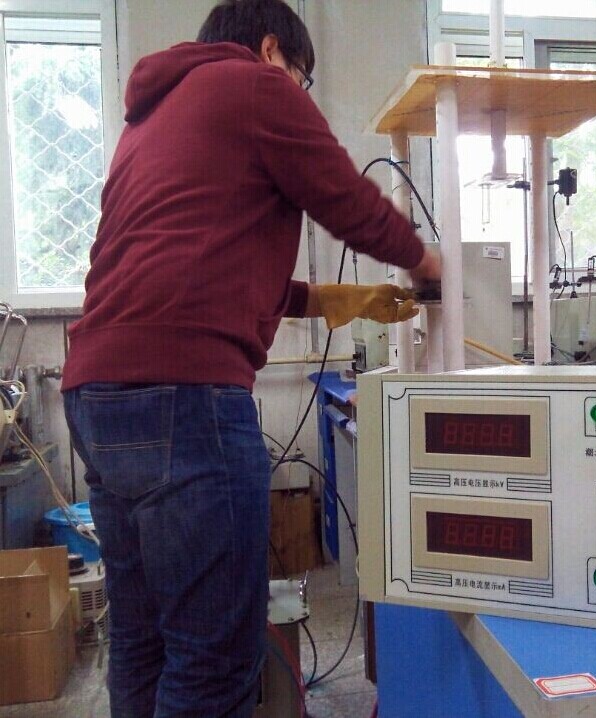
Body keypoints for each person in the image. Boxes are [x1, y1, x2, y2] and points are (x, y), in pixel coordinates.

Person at [61, 0, 440, 715]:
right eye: (302, 78)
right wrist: (429, 263)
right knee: (213, 658)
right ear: (271, 50)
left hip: (97, 396)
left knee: (143, 639)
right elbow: (345, 198)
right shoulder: (255, 83)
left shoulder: (151, 119)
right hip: (184, 396)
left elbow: (201, 269)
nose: (299, 94)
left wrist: (337, 300)